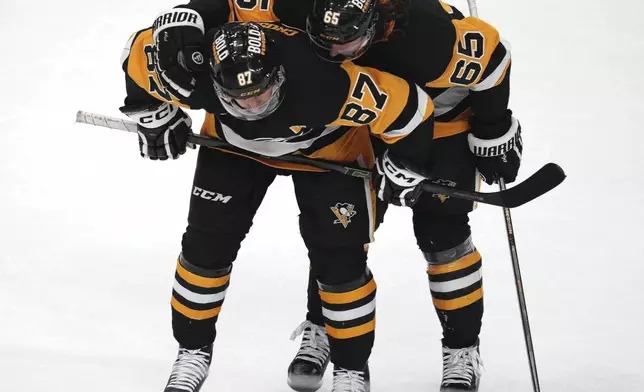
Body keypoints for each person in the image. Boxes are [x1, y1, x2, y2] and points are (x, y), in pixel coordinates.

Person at [150, 1, 523, 391]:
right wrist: (181, 25)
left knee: (442, 231)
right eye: (321, 37)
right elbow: (216, 22)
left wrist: (492, 127)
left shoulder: (426, 36)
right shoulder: (299, 14)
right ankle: (325, 327)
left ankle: (462, 352)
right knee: (340, 239)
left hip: (442, 118)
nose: (330, 52)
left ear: (376, 24)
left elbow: (493, 57)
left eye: (345, 42)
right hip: (360, 117)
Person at [120, 17, 436, 392]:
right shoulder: (196, 71)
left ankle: (351, 370)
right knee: (205, 246)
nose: (251, 106)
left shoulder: (326, 82)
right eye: (237, 97)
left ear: (280, 76)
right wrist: (152, 113)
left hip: (330, 153)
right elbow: (137, 53)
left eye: (260, 93)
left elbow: (412, 108)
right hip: (234, 151)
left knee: (341, 263)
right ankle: (192, 351)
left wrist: (406, 165)